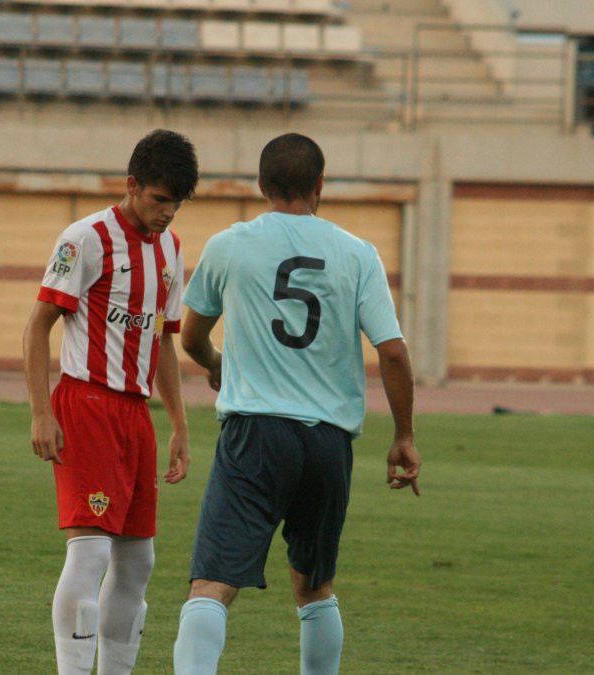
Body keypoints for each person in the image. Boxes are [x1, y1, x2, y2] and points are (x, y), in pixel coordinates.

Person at [172, 133, 422, 674]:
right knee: (314, 586)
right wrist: (403, 436)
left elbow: (190, 338)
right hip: (329, 443)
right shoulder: (358, 253)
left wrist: (218, 365)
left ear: (260, 186)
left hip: (256, 435)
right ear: (320, 185)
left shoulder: (230, 245)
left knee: (211, 584)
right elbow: (394, 354)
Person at [23, 129, 199, 675]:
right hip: (86, 405)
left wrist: (178, 424)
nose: (168, 213)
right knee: (92, 551)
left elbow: (163, 339)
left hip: (134, 416)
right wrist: (40, 410)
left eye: (177, 203)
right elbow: (37, 327)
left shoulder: (170, 250)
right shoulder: (87, 237)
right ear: (132, 185)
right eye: (159, 199)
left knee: (138, 560)